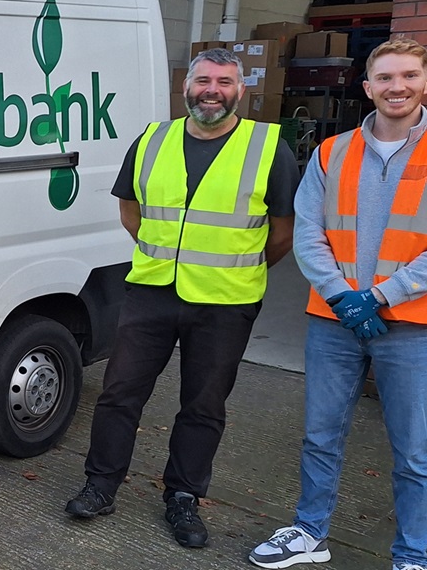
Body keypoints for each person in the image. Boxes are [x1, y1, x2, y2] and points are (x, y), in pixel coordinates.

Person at [65, 47, 299, 548]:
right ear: (186, 86)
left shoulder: (268, 147)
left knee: (204, 404)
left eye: (224, 82)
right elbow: (131, 211)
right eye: (203, 80)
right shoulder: (153, 139)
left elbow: (282, 233)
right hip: (151, 291)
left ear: (241, 91)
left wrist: (237, 270)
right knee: (119, 393)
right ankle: (101, 485)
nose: (212, 90)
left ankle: (184, 497)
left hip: (226, 301)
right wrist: (163, 256)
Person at [250, 38, 427, 570]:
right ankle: (309, 533)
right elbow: (308, 233)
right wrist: (341, 298)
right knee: (320, 435)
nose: (398, 87)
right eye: (386, 78)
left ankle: (413, 553)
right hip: (334, 321)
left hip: (411, 326)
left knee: (415, 453)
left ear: (423, 81)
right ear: (368, 88)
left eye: (410, 76)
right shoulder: (333, 151)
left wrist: (375, 298)